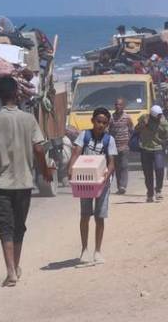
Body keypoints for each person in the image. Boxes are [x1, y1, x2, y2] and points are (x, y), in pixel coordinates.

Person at [0, 77, 52, 287]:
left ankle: (11, 271)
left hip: (0, 184)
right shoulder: (29, 119)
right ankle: (16, 267)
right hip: (24, 183)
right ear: (17, 95)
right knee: (19, 227)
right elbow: (39, 149)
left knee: (5, 228)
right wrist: (45, 170)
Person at [68, 108, 117, 265]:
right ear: (92, 121)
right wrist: (70, 169)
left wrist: (105, 176)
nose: (101, 125)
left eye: (104, 123)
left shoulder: (109, 140)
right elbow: (76, 153)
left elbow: (111, 163)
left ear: (107, 124)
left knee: (99, 216)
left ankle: (97, 251)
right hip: (86, 182)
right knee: (84, 215)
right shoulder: (85, 135)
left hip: (102, 183)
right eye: (98, 121)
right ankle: (84, 250)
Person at [134, 105, 168, 202]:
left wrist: (163, 141)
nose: (159, 117)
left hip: (158, 148)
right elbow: (136, 129)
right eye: (158, 115)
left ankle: (158, 191)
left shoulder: (164, 123)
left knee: (160, 169)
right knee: (148, 173)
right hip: (145, 149)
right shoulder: (144, 118)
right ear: (152, 115)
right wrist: (142, 125)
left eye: (160, 115)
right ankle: (150, 193)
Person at [109, 98, 133, 195]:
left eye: (119, 105)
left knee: (124, 166)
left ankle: (123, 186)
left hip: (124, 146)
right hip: (114, 147)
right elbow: (108, 130)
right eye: (116, 105)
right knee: (117, 168)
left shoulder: (127, 117)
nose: (118, 106)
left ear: (123, 106)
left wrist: (128, 141)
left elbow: (132, 129)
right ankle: (119, 187)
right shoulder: (111, 117)